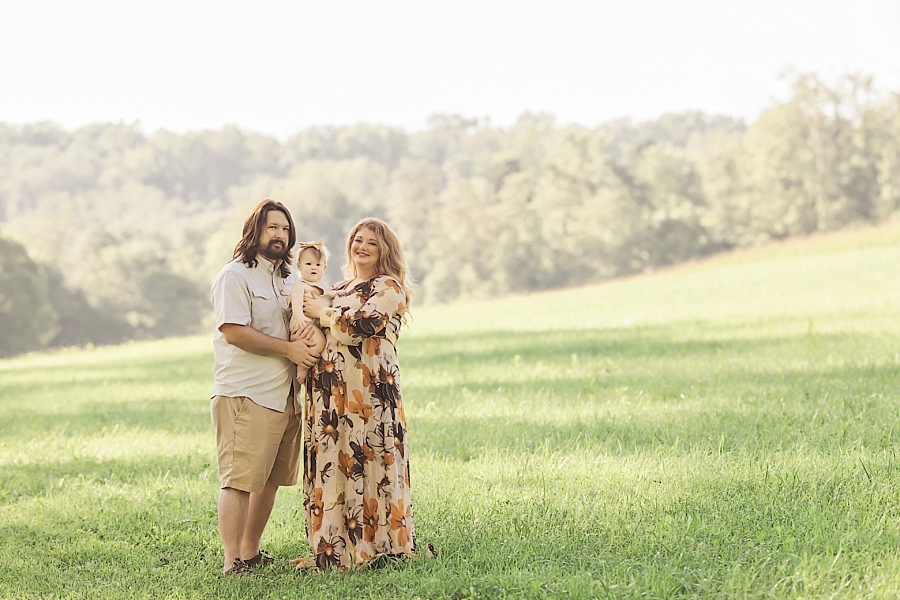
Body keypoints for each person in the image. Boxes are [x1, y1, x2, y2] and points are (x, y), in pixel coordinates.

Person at [291, 217, 417, 570]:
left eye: (371, 243)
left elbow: (364, 325)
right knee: (335, 464)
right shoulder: (341, 286)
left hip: (369, 395)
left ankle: (377, 545)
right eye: (357, 239)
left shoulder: (389, 287)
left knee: (371, 459)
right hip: (330, 397)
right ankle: (334, 549)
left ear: (384, 250)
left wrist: (324, 313)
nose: (361, 246)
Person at [209, 199, 324, 575]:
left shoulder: (290, 278)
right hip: (247, 393)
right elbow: (234, 332)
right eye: (272, 227)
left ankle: (250, 552)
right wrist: (289, 349)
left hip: (285, 395)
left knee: (269, 481)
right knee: (240, 480)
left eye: (285, 229)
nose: (280, 235)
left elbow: (308, 316)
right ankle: (232, 561)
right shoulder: (235, 276)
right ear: (254, 230)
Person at [288, 241, 334, 383]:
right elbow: (296, 302)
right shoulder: (300, 285)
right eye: (309, 264)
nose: (313, 268)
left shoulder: (322, 283)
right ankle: (303, 366)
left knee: (321, 341)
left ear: (324, 267)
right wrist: (301, 317)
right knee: (320, 341)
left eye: (318, 265)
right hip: (303, 323)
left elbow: (330, 294)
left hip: (315, 322)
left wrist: (339, 293)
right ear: (299, 266)